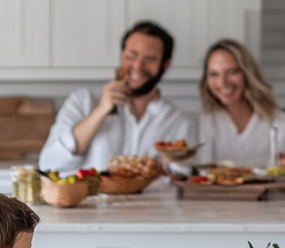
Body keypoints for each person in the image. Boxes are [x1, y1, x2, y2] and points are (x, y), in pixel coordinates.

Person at [38, 21, 194, 172]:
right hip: (91, 198)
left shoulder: (177, 121)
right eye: (131, 55)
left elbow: (181, 177)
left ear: (165, 66)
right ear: (121, 55)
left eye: (150, 59)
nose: (138, 66)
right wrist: (100, 111)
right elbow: (49, 163)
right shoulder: (83, 100)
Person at [193, 39, 285, 167]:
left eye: (232, 72)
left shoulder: (282, 123)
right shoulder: (204, 122)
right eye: (214, 74)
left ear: (248, 73)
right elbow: (204, 176)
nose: (222, 82)